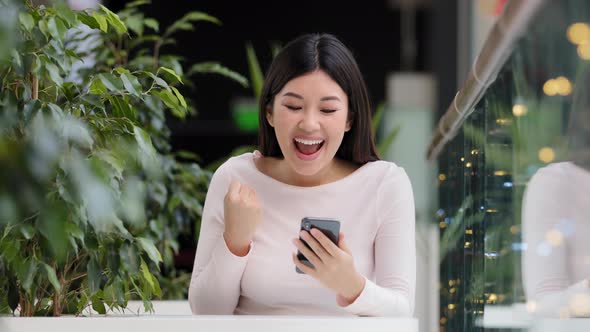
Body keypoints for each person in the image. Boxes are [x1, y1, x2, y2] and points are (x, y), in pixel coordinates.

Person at [188, 33, 416, 316]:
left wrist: (352, 285)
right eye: (293, 107)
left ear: (349, 119)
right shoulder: (235, 179)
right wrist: (235, 243)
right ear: (269, 112)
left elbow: (402, 311)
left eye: (328, 109)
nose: (309, 123)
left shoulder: (386, 185)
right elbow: (207, 312)